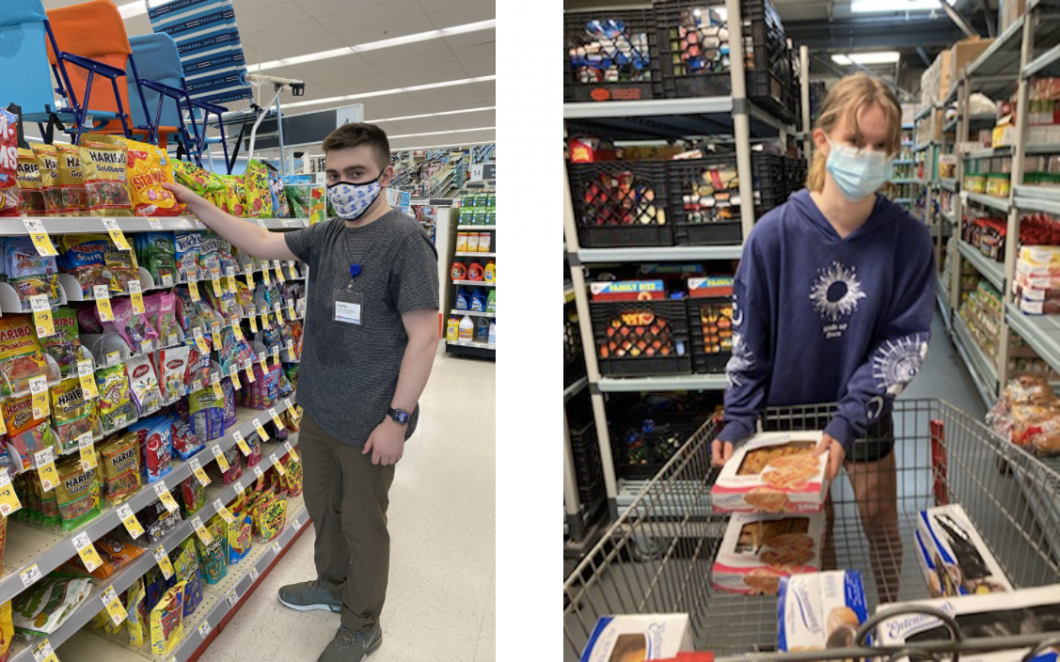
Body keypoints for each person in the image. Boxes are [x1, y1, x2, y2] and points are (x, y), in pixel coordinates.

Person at [162, 122, 440, 661]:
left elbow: (425, 338)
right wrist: (198, 204)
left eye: (356, 174)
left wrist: (397, 420)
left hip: (371, 418)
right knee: (322, 507)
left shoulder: (405, 240)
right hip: (319, 407)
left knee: (363, 523)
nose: (343, 185)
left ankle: (363, 623)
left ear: (385, 175)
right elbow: (262, 242)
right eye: (334, 175)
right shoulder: (329, 233)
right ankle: (332, 586)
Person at [710, 74, 935, 602]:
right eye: (856, 141)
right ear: (823, 139)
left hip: (864, 407)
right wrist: (739, 412)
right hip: (792, 410)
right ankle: (833, 622)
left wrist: (850, 417)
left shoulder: (908, 240)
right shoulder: (772, 237)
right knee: (815, 527)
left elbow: (903, 343)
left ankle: (889, 615)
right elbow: (750, 338)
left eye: (882, 146)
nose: (868, 156)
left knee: (880, 518)